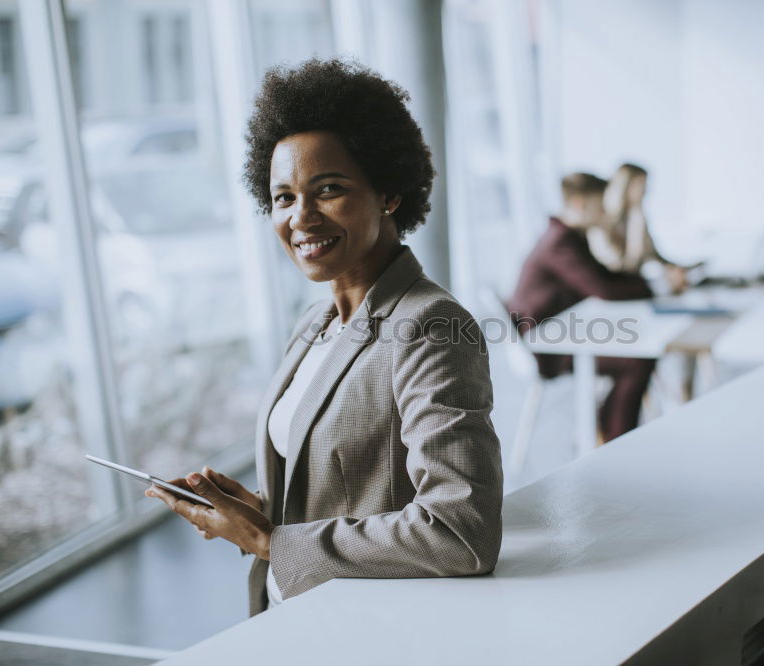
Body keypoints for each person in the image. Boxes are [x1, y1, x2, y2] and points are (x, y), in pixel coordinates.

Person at [146, 58, 503, 615]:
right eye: (284, 198)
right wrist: (259, 512)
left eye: (329, 189)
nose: (301, 218)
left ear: (389, 192)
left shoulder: (430, 327)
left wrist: (268, 541)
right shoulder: (314, 323)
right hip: (297, 611)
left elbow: (461, 532)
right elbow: (356, 490)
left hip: (375, 628)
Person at [506, 172, 656, 443]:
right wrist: (648, 288)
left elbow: (604, 279)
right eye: (599, 207)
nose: (603, 213)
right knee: (637, 361)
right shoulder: (560, 241)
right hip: (549, 347)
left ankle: (610, 427)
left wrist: (645, 284)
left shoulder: (568, 235)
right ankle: (617, 439)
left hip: (566, 335)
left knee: (639, 355)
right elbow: (604, 290)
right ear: (579, 204)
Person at [588, 163, 689, 293]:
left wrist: (677, 268)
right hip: (618, 292)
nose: (646, 190)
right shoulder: (601, 224)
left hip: (637, 289)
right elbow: (627, 267)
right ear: (625, 187)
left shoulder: (635, 218)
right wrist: (637, 219)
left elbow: (654, 255)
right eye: (641, 184)